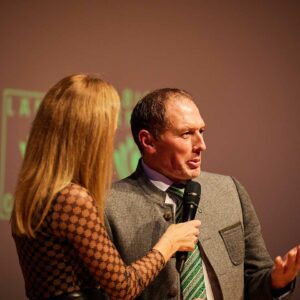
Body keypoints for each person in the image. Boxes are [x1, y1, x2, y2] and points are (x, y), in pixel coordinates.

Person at [10, 75, 201, 300]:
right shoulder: (73, 198)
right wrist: (170, 242)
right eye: (108, 129)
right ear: (88, 135)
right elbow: (122, 287)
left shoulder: (34, 195)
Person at [105, 88, 300, 300]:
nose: (201, 146)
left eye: (201, 132)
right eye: (186, 134)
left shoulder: (229, 190)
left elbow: (254, 279)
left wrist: (276, 282)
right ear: (148, 141)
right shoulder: (110, 207)